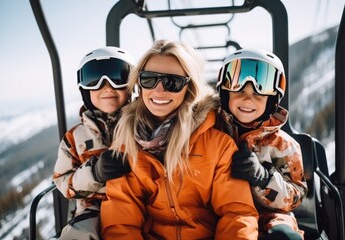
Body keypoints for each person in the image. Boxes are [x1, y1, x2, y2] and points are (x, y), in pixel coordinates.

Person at [99, 40, 259, 239]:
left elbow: (236, 213)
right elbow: (120, 220)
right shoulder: (126, 145)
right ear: (139, 84)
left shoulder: (217, 145)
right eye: (149, 79)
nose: (159, 90)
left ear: (188, 88)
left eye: (172, 82)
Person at [216, 48, 308, 240]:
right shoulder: (214, 133)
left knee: (284, 236)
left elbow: (295, 197)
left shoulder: (283, 145)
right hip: (222, 210)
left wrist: (263, 178)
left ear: (272, 100)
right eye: (239, 90)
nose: (248, 98)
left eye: (259, 93)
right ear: (225, 94)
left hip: (269, 216)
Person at [52, 46, 135, 240]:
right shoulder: (75, 138)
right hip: (94, 209)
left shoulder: (142, 125)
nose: (106, 86)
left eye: (117, 77)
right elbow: (62, 182)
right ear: (84, 90)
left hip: (138, 200)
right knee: (78, 234)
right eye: (93, 79)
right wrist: (94, 172)